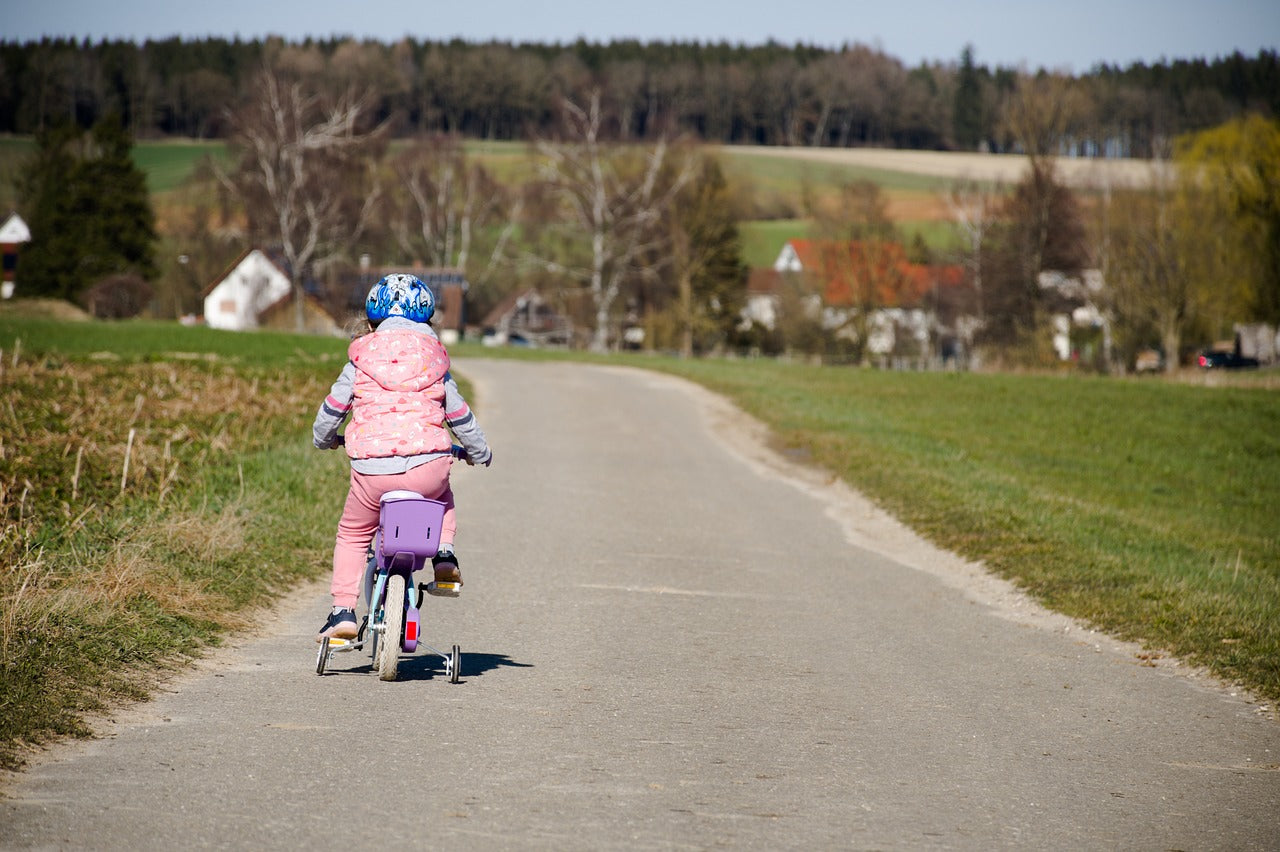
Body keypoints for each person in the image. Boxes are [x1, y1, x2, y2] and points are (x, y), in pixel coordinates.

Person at [312, 273, 492, 641]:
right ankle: (444, 556)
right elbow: (459, 416)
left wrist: (325, 439)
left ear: (372, 319)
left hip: (371, 472)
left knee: (353, 533)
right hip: (428, 465)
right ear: (427, 319)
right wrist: (478, 450)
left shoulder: (360, 360)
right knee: (442, 498)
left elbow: (332, 411)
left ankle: (343, 611)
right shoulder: (435, 361)